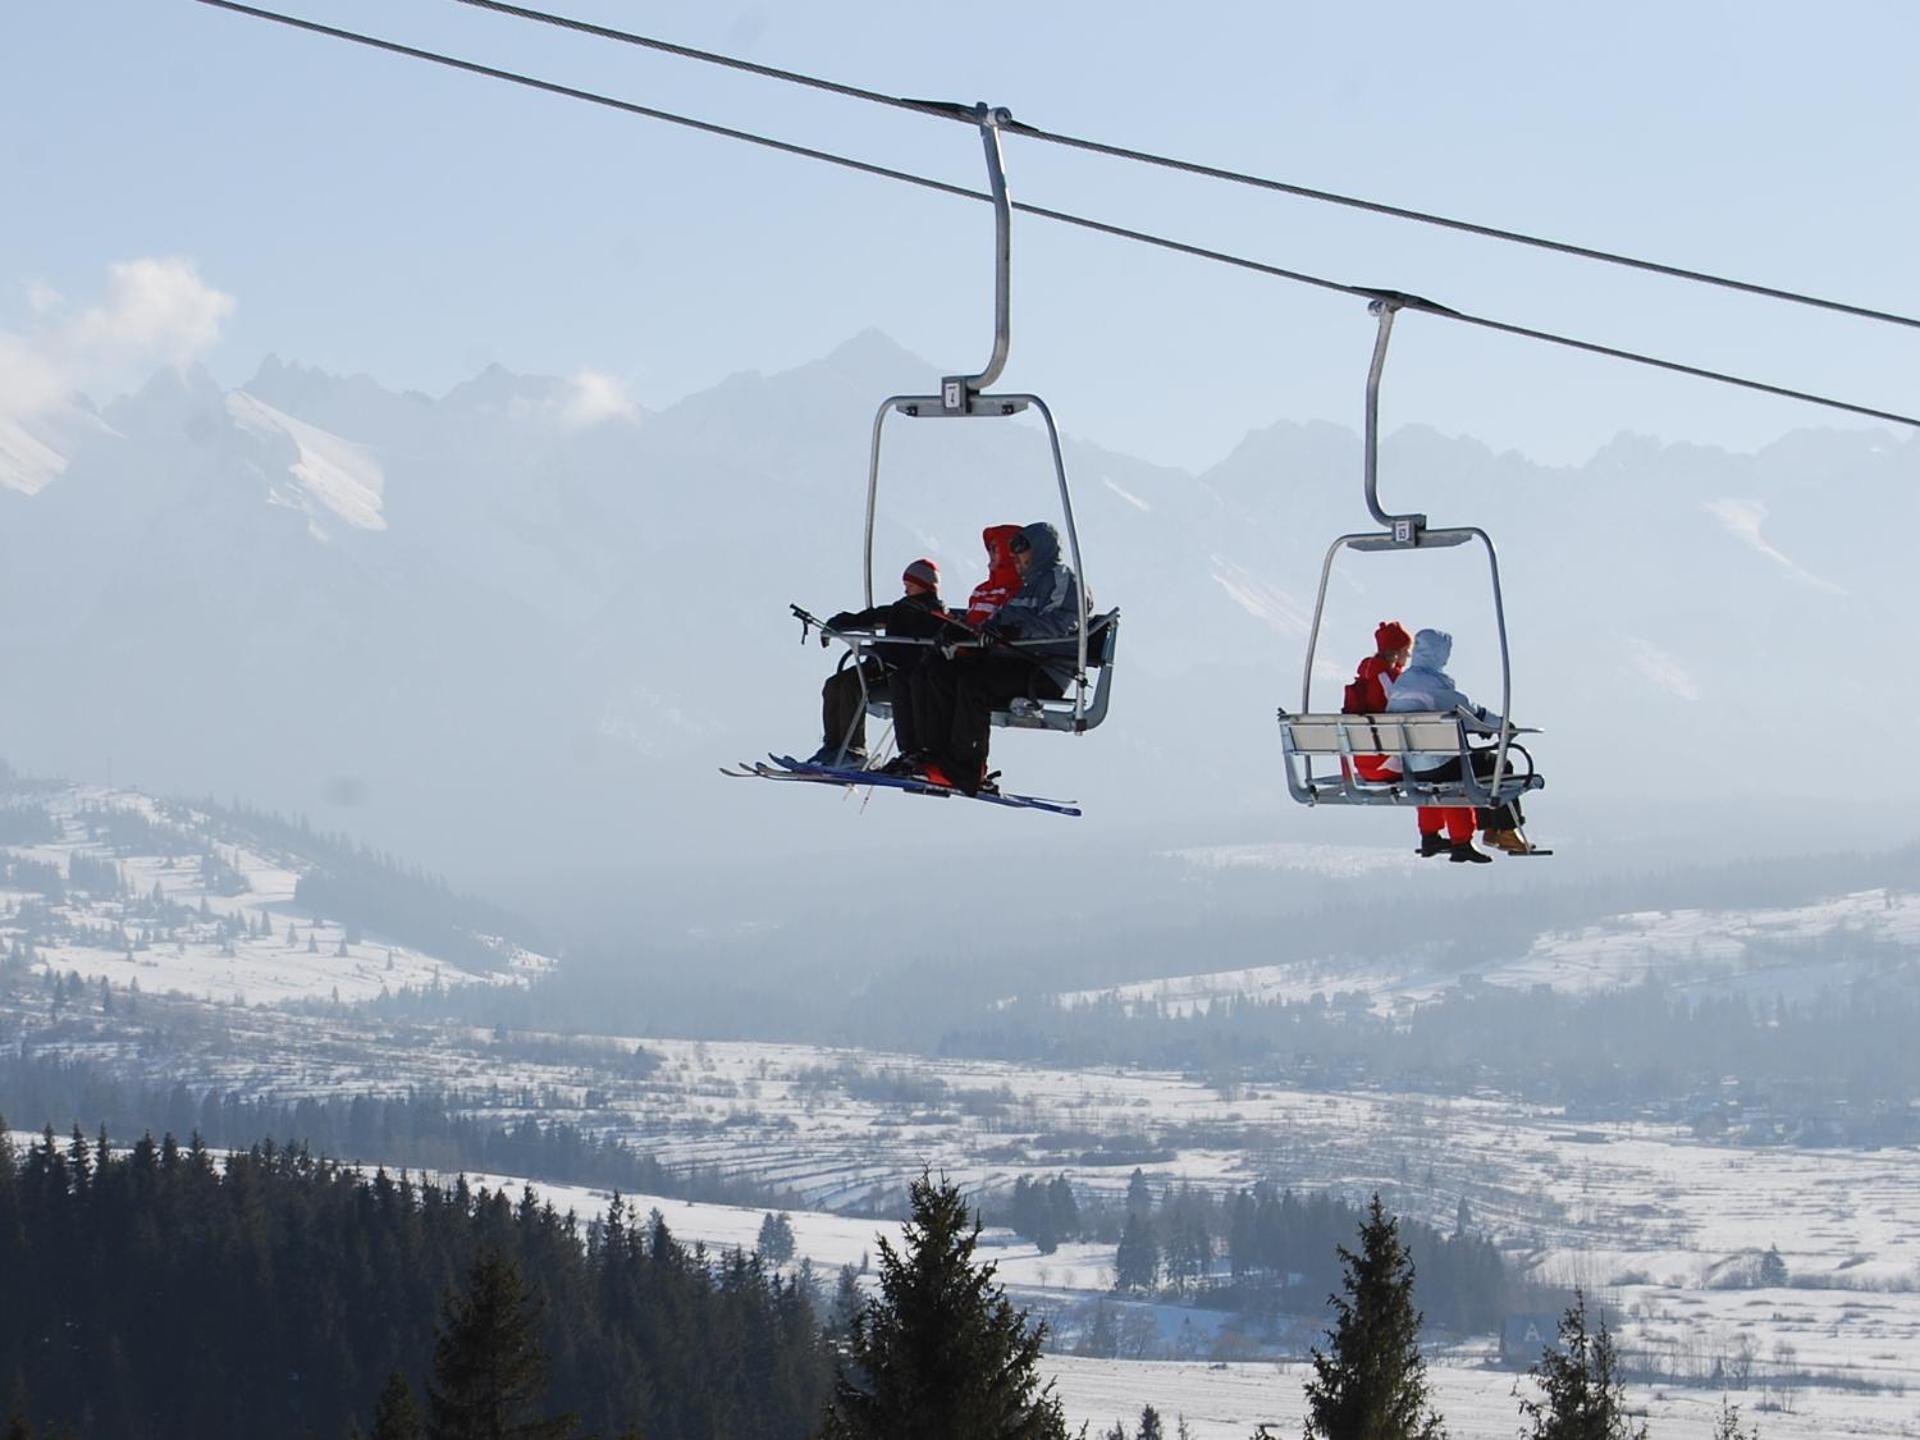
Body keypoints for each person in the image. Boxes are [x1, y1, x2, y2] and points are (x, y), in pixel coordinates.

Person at [910, 521, 1082, 795]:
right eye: (1013, 551)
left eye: (1021, 549)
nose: (1016, 557)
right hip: (1014, 661)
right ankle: (933, 758)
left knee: (973, 682)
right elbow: (999, 620)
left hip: (1044, 668)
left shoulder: (1063, 579)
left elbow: (1064, 622)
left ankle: (967, 768)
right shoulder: (1026, 586)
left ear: (1040, 549)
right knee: (937, 670)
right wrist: (962, 631)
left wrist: (1015, 631)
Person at [1384, 627, 1536, 860]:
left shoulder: (1402, 683)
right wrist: (1502, 726)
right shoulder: (1433, 685)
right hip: (1439, 764)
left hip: (1412, 766)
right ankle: (1503, 830)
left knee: (1484, 765)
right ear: (1439, 654)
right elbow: (1470, 713)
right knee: (1498, 766)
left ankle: (1493, 830)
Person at [1343, 621, 1474, 859]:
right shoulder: (1390, 680)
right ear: (1396, 652)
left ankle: (1431, 836)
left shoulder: (1365, 677)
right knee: (1435, 769)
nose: (1408, 657)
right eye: (1405, 651)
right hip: (1383, 762)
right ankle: (1459, 840)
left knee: (1422, 766)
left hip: (1364, 760)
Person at [807, 558, 948, 767]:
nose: (906, 588)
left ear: (923, 584)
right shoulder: (903, 607)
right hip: (881, 666)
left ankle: (854, 750)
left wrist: (887, 650)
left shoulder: (932, 614)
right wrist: (839, 622)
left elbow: (922, 640)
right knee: (833, 684)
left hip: (897, 672)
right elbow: (874, 616)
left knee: (851, 686)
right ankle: (833, 745)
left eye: (910, 583)